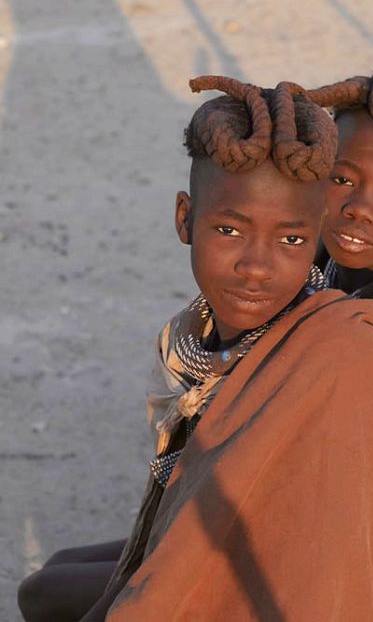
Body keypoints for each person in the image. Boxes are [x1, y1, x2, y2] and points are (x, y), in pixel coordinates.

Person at [103, 72, 373, 621]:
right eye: (343, 180)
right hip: (266, 508)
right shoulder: (318, 265)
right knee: (55, 585)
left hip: (356, 548)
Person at [18, 76, 339, 622]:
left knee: (44, 598)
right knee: (53, 574)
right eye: (231, 231)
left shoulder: (313, 354)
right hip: (195, 534)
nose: (257, 266)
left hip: (256, 585)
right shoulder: (193, 337)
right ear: (185, 219)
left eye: (290, 240)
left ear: (317, 234)